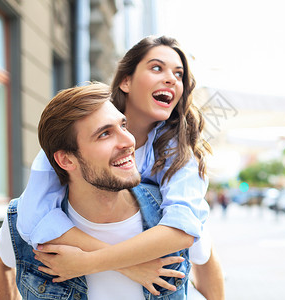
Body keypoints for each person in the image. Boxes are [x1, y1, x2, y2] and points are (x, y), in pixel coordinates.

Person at [14, 36, 224, 299]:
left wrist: (86, 262)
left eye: (179, 73)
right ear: (126, 81)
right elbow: (30, 219)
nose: (171, 78)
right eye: (157, 68)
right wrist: (131, 266)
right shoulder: (73, 140)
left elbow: (184, 231)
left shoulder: (180, 154)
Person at [0, 83, 196, 299]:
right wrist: (129, 266)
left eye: (123, 126)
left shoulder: (167, 211)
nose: (129, 141)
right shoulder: (24, 219)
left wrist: (90, 262)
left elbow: (208, 264)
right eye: (105, 134)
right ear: (66, 160)